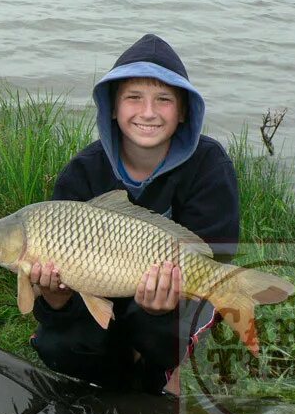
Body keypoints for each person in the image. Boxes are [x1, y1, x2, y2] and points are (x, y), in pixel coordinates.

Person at [29, 33, 239, 394]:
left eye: (164, 100)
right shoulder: (81, 173)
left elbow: (216, 254)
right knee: (55, 344)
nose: (148, 113)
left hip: (173, 303)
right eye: (133, 98)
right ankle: (124, 370)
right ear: (112, 106)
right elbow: (60, 304)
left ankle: (172, 375)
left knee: (165, 325)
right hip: (99, 303)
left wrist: (163, 308)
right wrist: (55, 298)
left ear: (184, 110)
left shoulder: (209, 165)